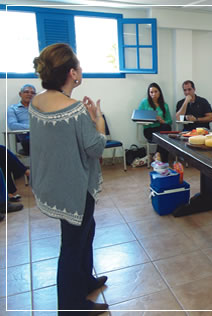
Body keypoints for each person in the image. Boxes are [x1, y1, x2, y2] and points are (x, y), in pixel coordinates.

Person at [30, 43, 108, 315]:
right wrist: (96, 118)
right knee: (72, 245)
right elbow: (96, 148)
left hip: (53, 183)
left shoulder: (36, 101)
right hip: (75, 189)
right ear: (72, 73)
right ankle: (71, 306)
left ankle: (86, 281)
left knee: (86, 232)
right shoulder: (74, 110)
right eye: (80, 67)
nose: (82, 71)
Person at [138, 83, 172, 161]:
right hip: (149, 130)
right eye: (151, 92)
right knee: (165, 138)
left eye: (156, 91)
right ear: (149, 93)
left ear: (159, 92)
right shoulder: (144, 102)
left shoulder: (164, 105)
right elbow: (138, 116)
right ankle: (160, 158)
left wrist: (162, 120)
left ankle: (158, 155)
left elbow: (169, 121)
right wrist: (150, 118)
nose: (154, 94)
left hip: (161, 128)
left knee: (166, 128)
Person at [7, 84, 37, 155]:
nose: (29, 94)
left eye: (32, 93)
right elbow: (12, 125)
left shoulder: (39, 109)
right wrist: (32, 127)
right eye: (26, 92)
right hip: (25, 136)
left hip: (39, 134)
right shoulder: (13, 109)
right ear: (20, 94)